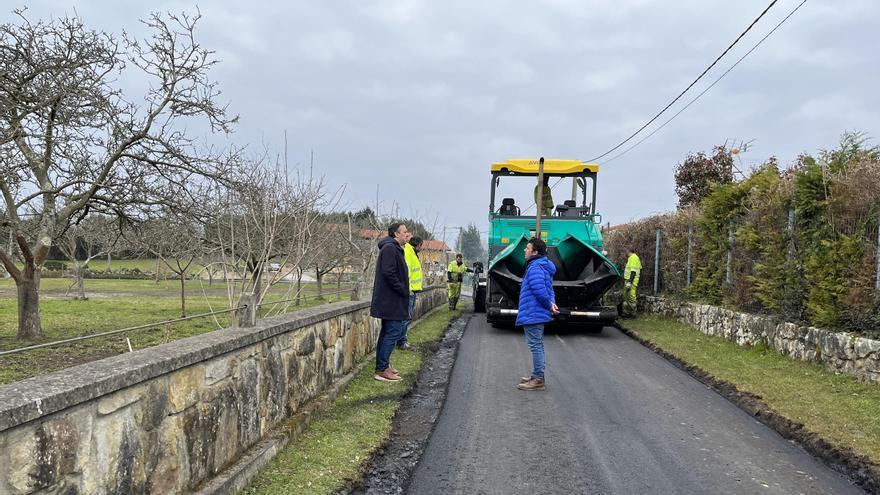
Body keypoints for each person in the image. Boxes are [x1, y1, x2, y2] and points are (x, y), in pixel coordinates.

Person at [516, 237, 558, 391]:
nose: (524, 250)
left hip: (533, 312)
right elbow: (549, 289)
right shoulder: (542, 266)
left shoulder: (534, 268)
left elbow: (539, 290)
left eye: (527, 248)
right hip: (537, 312)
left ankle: (538, 379)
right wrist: (551, 304)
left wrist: (548, 304)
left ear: (534, 252)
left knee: (535, 346)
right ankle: (536, 375)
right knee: (538, 344)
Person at [370, 223, 410, 382]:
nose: (407, 234)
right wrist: (402, 290)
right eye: (405, 232)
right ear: (396, 234)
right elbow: (389, 272)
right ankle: (381, 370)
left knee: (387, 332)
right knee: (392, 332)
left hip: (391, 300)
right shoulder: (390, 249)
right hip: (391, 300)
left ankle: (383, 366)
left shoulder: (393, 248)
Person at [397, 236, 423, 351]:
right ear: (417, 245)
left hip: (411, 290)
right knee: (405, 318)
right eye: (421, 245)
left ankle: (402, 340)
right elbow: (406, 272)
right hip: (409, 291)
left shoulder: (411, 252)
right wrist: (408, 289)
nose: (421, 248)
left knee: (406, 317)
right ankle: (402, 342)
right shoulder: (409, 253)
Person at [622, 247, 642, 318]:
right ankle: (626, 313)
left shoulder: (633, 258)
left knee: (631, 296)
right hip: (629, 280)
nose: (626, 252)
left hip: (631, 280)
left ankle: (632, 314)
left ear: (629, 251)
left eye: (626, 251)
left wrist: (630, 282)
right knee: (626, 296)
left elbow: (633, 271)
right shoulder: (633, 258)